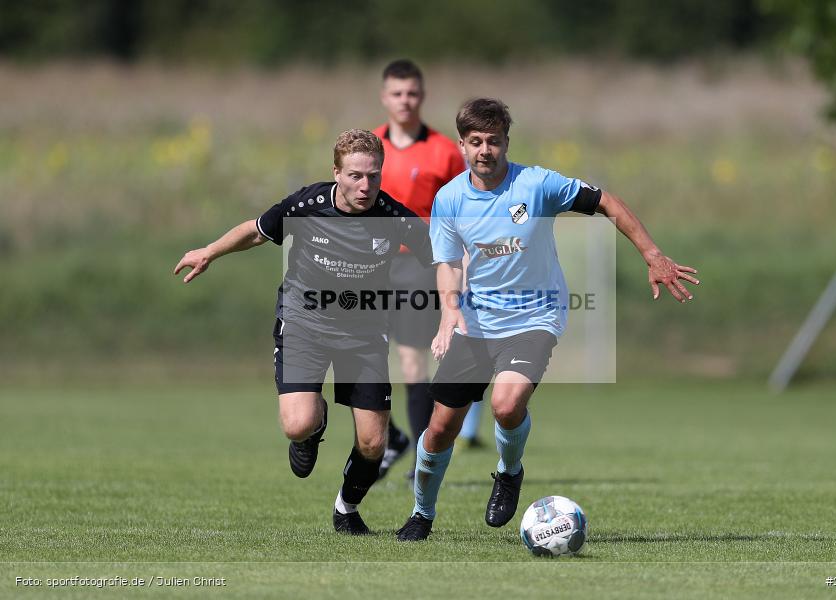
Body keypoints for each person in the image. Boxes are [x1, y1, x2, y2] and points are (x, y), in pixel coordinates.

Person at [396, 99, 699, 541]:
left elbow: (607, 203)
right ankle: (421, 514)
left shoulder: (537, 184)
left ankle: (508, 471)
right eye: (476, 142)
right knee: (440, 428)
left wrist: (652, 255)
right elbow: (446, 263)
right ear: (462, 145)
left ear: (506, 142)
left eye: (494, 141)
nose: (486, 150)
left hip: (536, 316)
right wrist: (450, 311)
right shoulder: (449, 199)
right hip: (477, 322)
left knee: (505, 404)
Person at [173, 129, 432, 535]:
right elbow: (257, 230)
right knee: (297, 424)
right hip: (303, 325)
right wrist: (209, 252)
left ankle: (346, 508)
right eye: (355, 176)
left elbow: (443, 256)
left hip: (364, 333)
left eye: (373, 176)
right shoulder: (308, 204)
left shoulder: (394, 217)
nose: (365, 186)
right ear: (336, 172)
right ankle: (314, 425)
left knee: (372, 443)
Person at [372, 59, 474, 479]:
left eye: (411, 93)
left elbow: (464, 210)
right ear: (384, 97)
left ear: (422, 96)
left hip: (417, 264)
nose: (404, 101)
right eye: (397, 93)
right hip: (367, 265)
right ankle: (390, 437)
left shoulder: (444, 151)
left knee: (413, 363)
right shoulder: (368, 146)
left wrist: (464, 266)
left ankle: (419, 457)